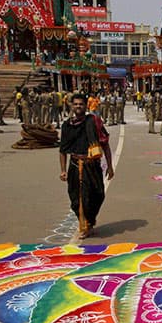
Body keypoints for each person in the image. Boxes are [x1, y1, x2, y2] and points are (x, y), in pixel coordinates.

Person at [59, 93, 114, 239]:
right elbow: (63, 150)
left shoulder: (94, 121)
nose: (78, 106)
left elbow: (105, 144)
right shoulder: (67, 125)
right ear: (71, 105)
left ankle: (89, 221)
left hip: (92, 165)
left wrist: (110, 166)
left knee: (98, 194)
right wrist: (63, 170)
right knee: (77, 198)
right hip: (75, 165)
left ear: (86, 105)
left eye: (81, 104)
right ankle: (84, 225)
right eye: (75, 104)